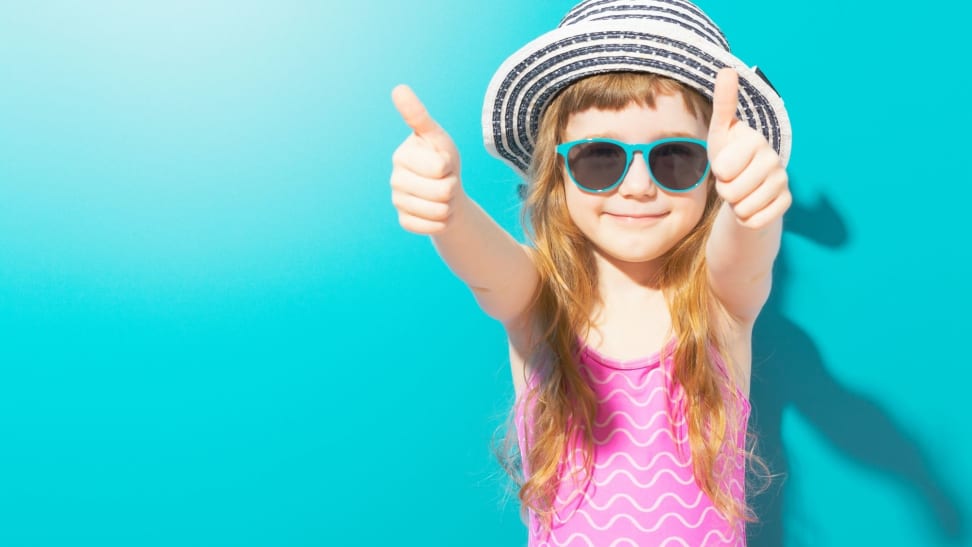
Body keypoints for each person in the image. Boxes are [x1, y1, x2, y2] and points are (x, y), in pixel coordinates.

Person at [389, 0, 791, 544]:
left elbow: (742, 254)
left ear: (711, 176)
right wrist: (451, 211)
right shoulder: (540, 301)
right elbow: (488, 267)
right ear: (557, 172)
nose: (638, 186)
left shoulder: (719, 302)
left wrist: (750, 207)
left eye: (676, 158)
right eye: (599, 158)